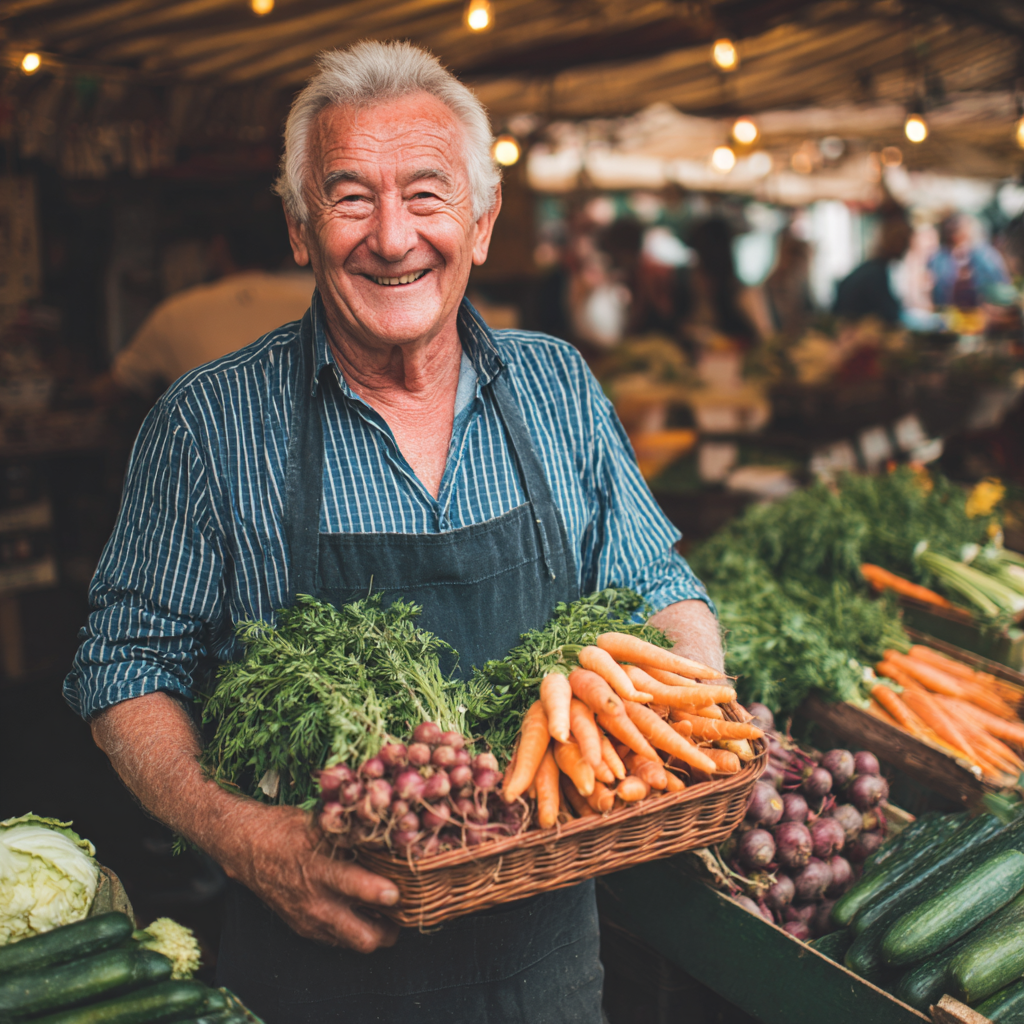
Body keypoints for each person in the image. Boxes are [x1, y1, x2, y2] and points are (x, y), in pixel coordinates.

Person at [65, 40, 722, 1024]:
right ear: (299, 230)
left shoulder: (557, 391)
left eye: (425, 194)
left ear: (482, 222)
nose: (392, 236)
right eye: (349, 198)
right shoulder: (209, 425)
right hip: (315, 976)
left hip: (543, 977)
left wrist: (693, 712)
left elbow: (651, 581)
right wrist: (241, 835)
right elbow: (122, 668)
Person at [99, 218, 313, 400]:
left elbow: (119, 383)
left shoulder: (176, 311)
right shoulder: (322, 294)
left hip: (220, 447)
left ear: (218, 248)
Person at [833, 207, 912, 324]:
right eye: (904, 242)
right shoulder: (875, 273)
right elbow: (890, 314)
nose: (906, 249)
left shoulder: (871, 268)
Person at [929, 212, 1010, 309]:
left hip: (983, 313)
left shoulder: (985, 254)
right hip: (951, 313)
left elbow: (1001, 284)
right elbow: (935, 291)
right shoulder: (939, 258)